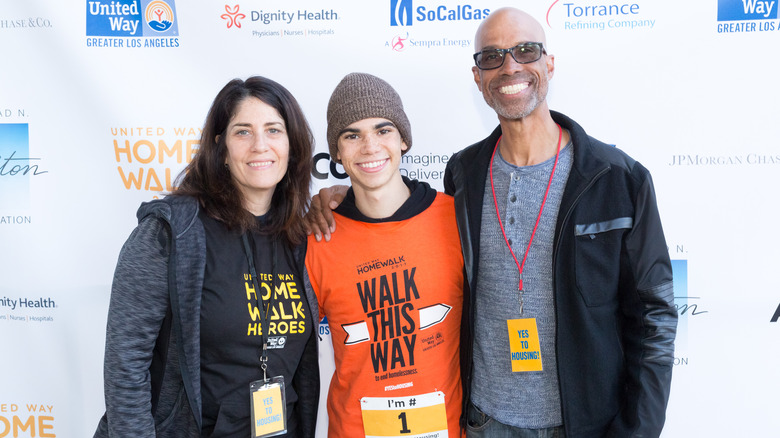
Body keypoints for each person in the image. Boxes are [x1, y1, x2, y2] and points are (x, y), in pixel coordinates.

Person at [306, 7, 677, 438]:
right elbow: (393, 213)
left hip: (585, 425)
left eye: (526, 51)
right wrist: (339, 197)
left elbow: (656, 316)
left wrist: (639, 430)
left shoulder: (616, 178)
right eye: (492, 57)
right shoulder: (465, 175)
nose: (510, 66)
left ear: (549, 63)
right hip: (483, 423)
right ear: (478, 78)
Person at [94, 76, 319, 438]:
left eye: (274, 130)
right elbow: (125, 365)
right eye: (243, 132)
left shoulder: (299, 236)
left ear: (292, 145)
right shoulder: (171, 232)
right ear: (222, 148)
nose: (260, 145)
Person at [304, 72, 464, 437]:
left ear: (403, 140)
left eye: (383, 130)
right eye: (351, 135)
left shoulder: (456, 220)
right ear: (338, 152)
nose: (370, 146)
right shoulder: (316, 237)